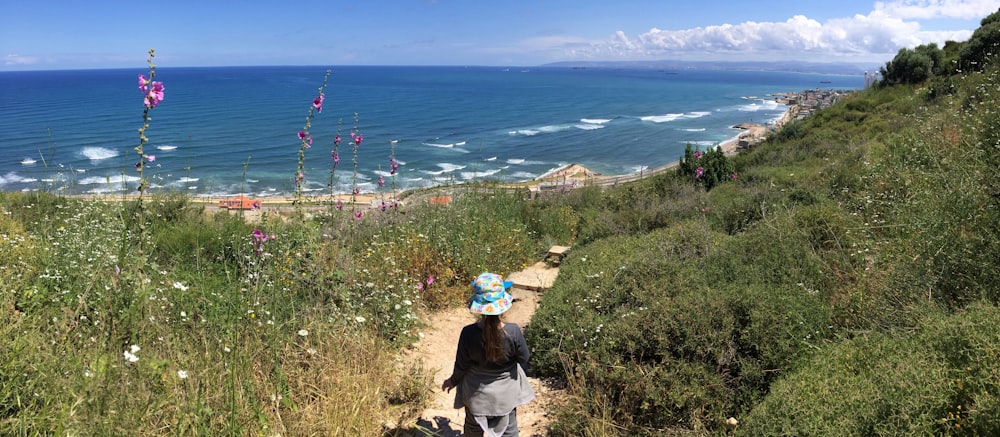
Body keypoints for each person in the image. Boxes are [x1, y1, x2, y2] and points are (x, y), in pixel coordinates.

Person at [442, 272, 535, 437]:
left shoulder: (468, 333)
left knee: (472, 429)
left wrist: (452, 381)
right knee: (509, 430)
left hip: (476, 396)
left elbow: (461, 365)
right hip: (506, 395)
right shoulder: (513, 331)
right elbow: (524, 359)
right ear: (503, 302)